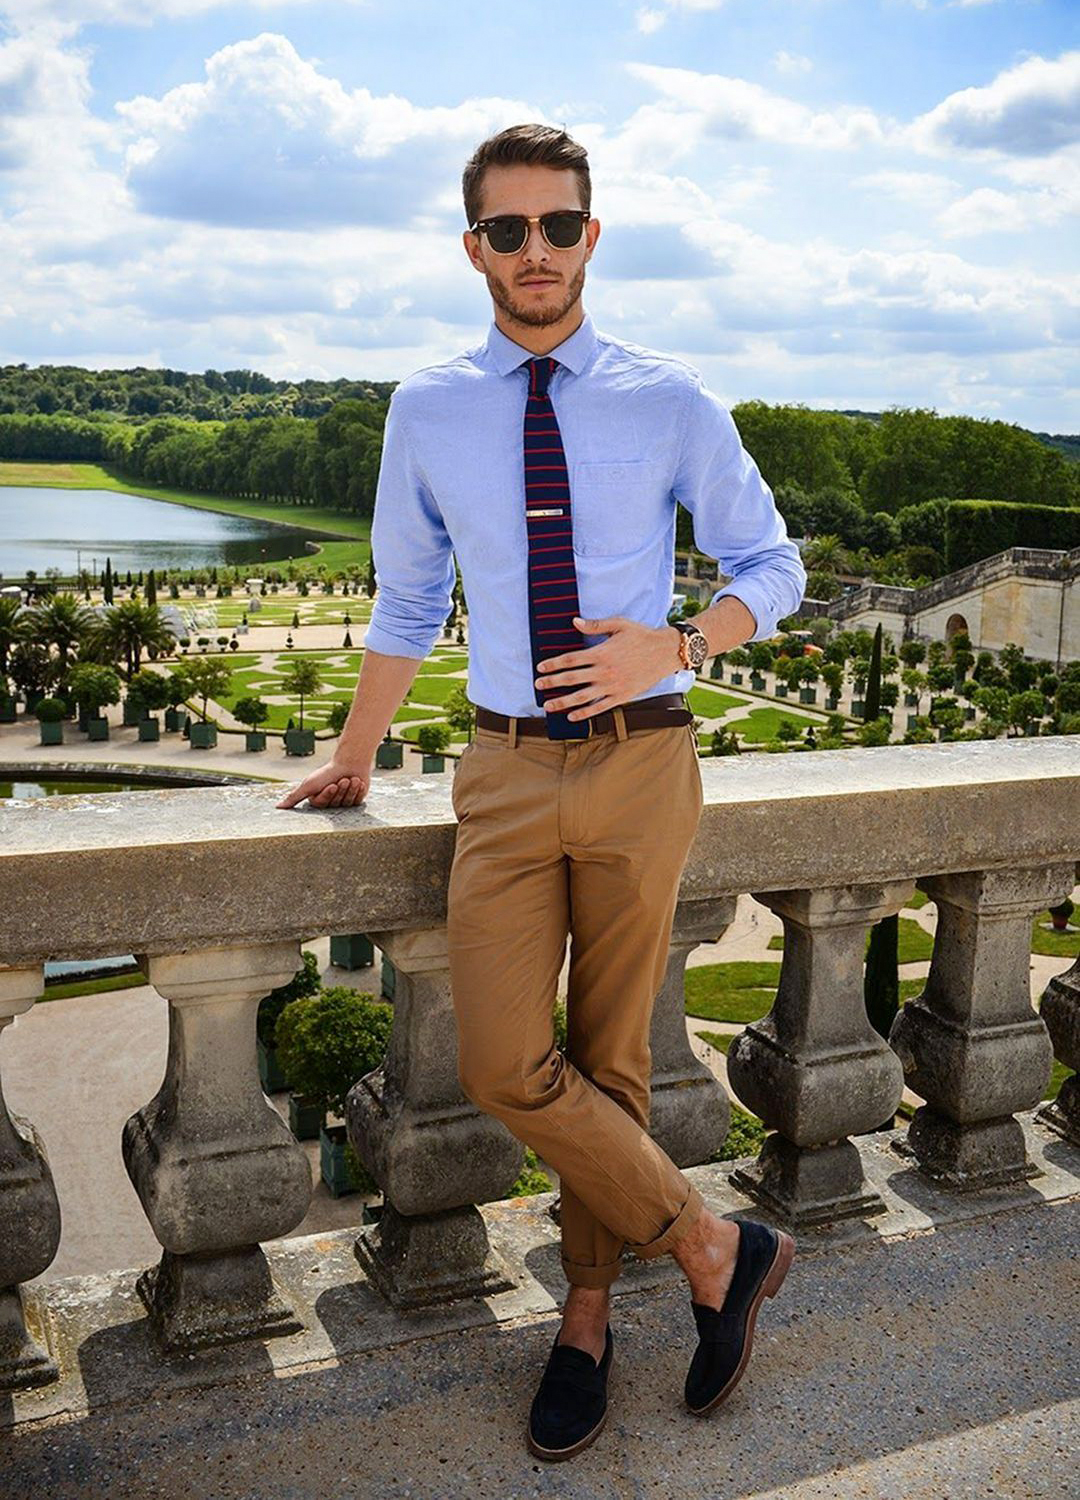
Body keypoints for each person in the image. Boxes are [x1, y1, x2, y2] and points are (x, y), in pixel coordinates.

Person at [277, 122, 806, 1462]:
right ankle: (711, 1247)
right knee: (508, 1059)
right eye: (506, 231)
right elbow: (407, 597)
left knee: (614, 1060)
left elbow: (772, 565)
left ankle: (585, 1323)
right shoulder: (427, 404)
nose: (534, 252)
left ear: (590, 234)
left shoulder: (668, 396)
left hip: (644, 762)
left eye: (556, 225)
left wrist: (683, 642)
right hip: (505, 773)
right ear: (474, 249)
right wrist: (355, 748)